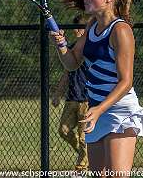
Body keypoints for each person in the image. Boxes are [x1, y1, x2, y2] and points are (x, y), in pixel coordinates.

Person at [50, 0, 143, 178]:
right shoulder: (91, 26)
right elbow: (71, 63)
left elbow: (125, 81)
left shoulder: (121, 31)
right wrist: (61, 45)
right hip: (97, 112)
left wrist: (99, 110)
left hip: (120, 112)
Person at [52, 14, 89, 172]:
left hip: (87, 100)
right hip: (72, 98)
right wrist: (58, 94)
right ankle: (85, 155)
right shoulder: (74, 48)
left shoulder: (90, 49)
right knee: (64, 130)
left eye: (80, 28)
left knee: (84, 137)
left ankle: (81, 169)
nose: (76, 31)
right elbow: (67, 73)